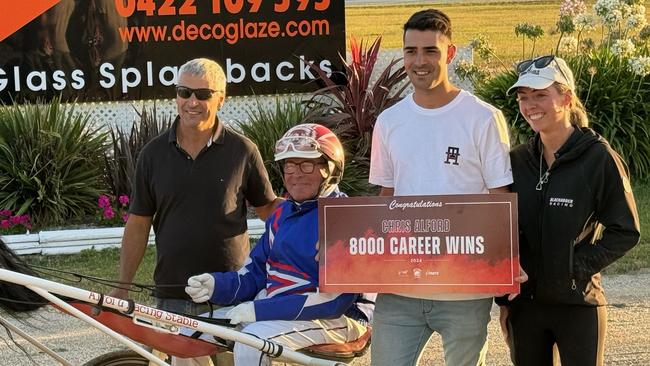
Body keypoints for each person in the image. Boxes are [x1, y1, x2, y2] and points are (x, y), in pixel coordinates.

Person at [368, 9, 515, 366]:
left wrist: (505, 274)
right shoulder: (389, 122)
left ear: (450, 53)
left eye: (430, 51)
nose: (419, 61)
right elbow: (385, 200)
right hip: (400, 288)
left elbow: (501, 203)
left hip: (464, 287)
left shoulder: (482, 118)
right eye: (411, 51)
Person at [112, 58, 281, 365]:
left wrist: (313, 215)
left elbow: (269, 209)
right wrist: (122, 287)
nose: (191, 102)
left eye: (202, 94)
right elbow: (138, 224)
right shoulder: (152, 155)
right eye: (183, 92)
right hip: (174, 297)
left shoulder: (242, 151)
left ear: (221, 98)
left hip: (232, 296)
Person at [184, 123, 374, 366]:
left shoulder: (347, 218)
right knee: (188, 332)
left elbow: (333, 301)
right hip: (278, 312)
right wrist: (214, 285)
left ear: (331, 169)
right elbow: (253, 276)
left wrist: (258, 311)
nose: (295, 174)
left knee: (251, 341)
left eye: (306, 164)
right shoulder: (280, 214)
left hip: (340, 319)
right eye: (289, 165)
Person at [497, 55, 640, 366]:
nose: (530, 105)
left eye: (540, 95)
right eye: (523, 97)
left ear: (567, 97)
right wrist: (503, 293)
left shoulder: (599, 158)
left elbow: (625, 231)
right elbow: (499, 227)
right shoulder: (517, 161)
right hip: (526, 308)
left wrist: (573, 267)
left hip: (578, 304)